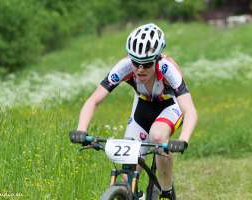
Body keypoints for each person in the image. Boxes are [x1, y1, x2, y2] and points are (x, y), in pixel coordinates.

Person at [73, 23, 198, 199]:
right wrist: (81, 129)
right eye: (135, 62)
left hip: (169, 106)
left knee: (157, 136)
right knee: (128, 172)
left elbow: (190, 109)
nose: (140, 69)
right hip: (142, 107)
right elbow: (94, 100)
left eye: (146, 64)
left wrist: (183, 139)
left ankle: (166, 190)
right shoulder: (124, 67)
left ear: (156, 60)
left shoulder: (167, 68)